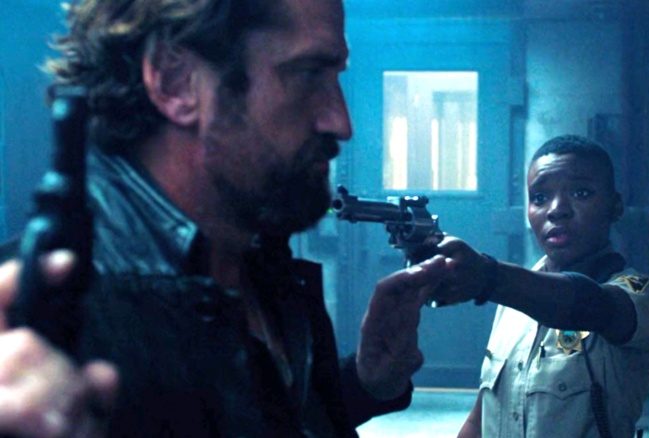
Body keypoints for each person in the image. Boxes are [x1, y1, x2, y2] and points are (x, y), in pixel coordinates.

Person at [0, 0, 452, 436]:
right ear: (175, 83)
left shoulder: (261, 263)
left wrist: (366, 383)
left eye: (335, 77)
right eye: (308, 74)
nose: (341, 122)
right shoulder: (40, 321)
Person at [431, 135, 649, 438]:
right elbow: (482, 417)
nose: (556, 210)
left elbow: (588, 304)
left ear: (615, 206)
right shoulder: (512, 300)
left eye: (581, 193)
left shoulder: (642, 296)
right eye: (540, 197)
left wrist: (488, 276)